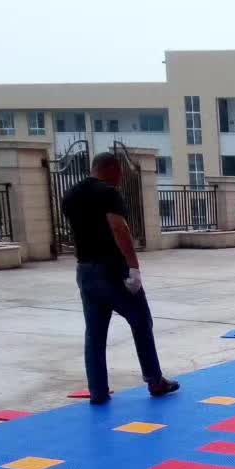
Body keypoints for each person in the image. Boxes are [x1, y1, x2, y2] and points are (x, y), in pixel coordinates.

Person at [61, 152, 179, 404]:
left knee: (94, 334)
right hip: (112, 270)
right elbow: (119, 227)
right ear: (112, 169)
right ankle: (155, 380)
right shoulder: (107, 193)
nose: (121, 178)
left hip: (85, 271)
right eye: (120, 173)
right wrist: (133, 267)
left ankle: (98, 391)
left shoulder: (70, 195)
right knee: (141, 321)